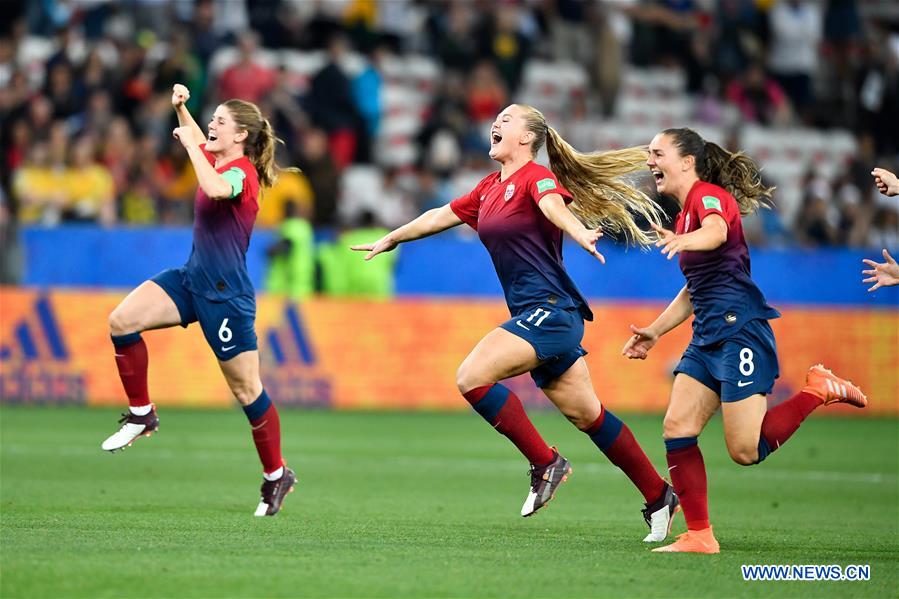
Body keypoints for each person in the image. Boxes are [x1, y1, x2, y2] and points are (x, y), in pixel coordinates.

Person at [352, 104, 679, 543]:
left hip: (552, 311)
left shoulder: (535, 178)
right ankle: (660, 496)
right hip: (537, 315)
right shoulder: (489, 187)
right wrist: (392, 237)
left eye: (506, 120)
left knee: (471, 376)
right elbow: (439, 216)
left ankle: (546, 463)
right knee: (590, 416)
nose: (496, 125)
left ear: (527, 138)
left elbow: (552, 205)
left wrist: (579, 231)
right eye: (496, 120)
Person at [624, 128, 867, 554]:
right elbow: (694, 288)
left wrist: (687, 239)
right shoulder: (683, 215)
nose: (650, 162)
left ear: (686, 161)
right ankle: (700, 535)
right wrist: (655, 331)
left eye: (657, 153)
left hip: (741, 331)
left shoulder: (708, 196)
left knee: (745, 450)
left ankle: (816, 390)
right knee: (677, 427)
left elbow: (716, 232)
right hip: (707, 336)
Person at [101, 84, 297, 517]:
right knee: (121, 321)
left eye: (220, 121)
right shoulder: (217, 155)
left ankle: (276, 474)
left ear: (241, 136)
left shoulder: (239, 173)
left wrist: (192, 144)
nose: (211, 125)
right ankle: (141, 413)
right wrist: (182, 109)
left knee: (247, 390)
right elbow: (199, 144)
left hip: (227, 298)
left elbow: (212, 187)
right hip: (191, 281)